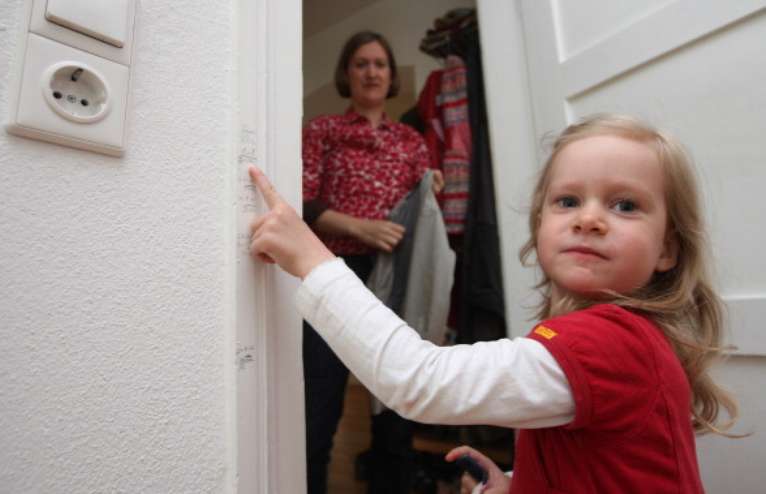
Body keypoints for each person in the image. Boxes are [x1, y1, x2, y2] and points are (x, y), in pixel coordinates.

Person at [249, 113, 739, 493]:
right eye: (568, 201)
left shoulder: (609, 341)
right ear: (541, 223)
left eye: (625, 205)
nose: (588, 219)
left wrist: (312, 259)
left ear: (668, 249)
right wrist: (519, 482)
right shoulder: (612, 337)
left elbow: (420, 382)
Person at [300, 30, 443, 494]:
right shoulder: (322, 130)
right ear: (347, 73)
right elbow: (302, 201)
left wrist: (431, 189)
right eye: (361, 63)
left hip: (395, 278)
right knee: (320, 404)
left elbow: (421, 207)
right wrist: (361, 228)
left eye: (380, 64)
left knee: (397, 404)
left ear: (391, 74)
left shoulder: (411, 140)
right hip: (336, 274)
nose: (371, 72)